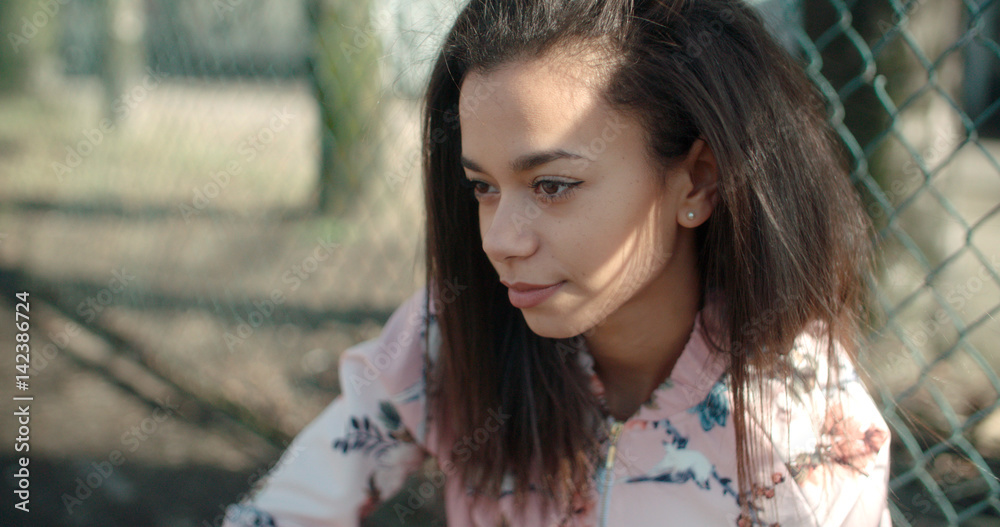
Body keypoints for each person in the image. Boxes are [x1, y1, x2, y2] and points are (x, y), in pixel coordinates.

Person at [223, 0, 892, 525]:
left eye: (552, 186)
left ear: (697, 182)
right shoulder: (450, 338)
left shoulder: (805, 432)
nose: (500, 240)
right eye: (483, 187)